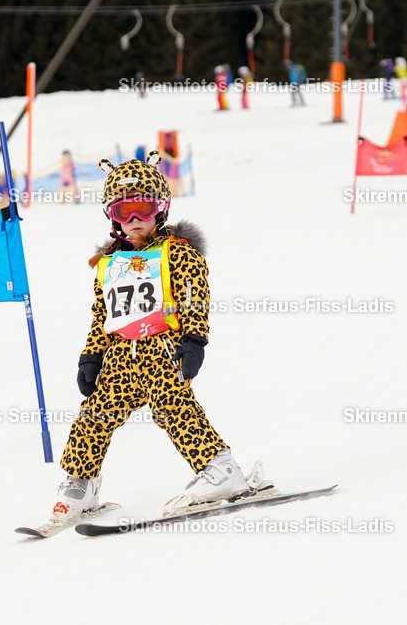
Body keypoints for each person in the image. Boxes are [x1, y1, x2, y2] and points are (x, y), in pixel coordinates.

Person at [49, 151, 260, 524]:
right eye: (123, 212)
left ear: (160, 208)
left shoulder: (176, 252)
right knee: (94, 415)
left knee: (173, 409)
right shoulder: (109, 263)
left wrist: (194, 341)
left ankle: (221, 469)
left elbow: (194, 296)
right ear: (111, 215)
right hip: (120, 357)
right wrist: (91, 357)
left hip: (163, 351)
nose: (133, 221)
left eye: (142, 210)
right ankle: (82, 484)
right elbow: (102, 315)